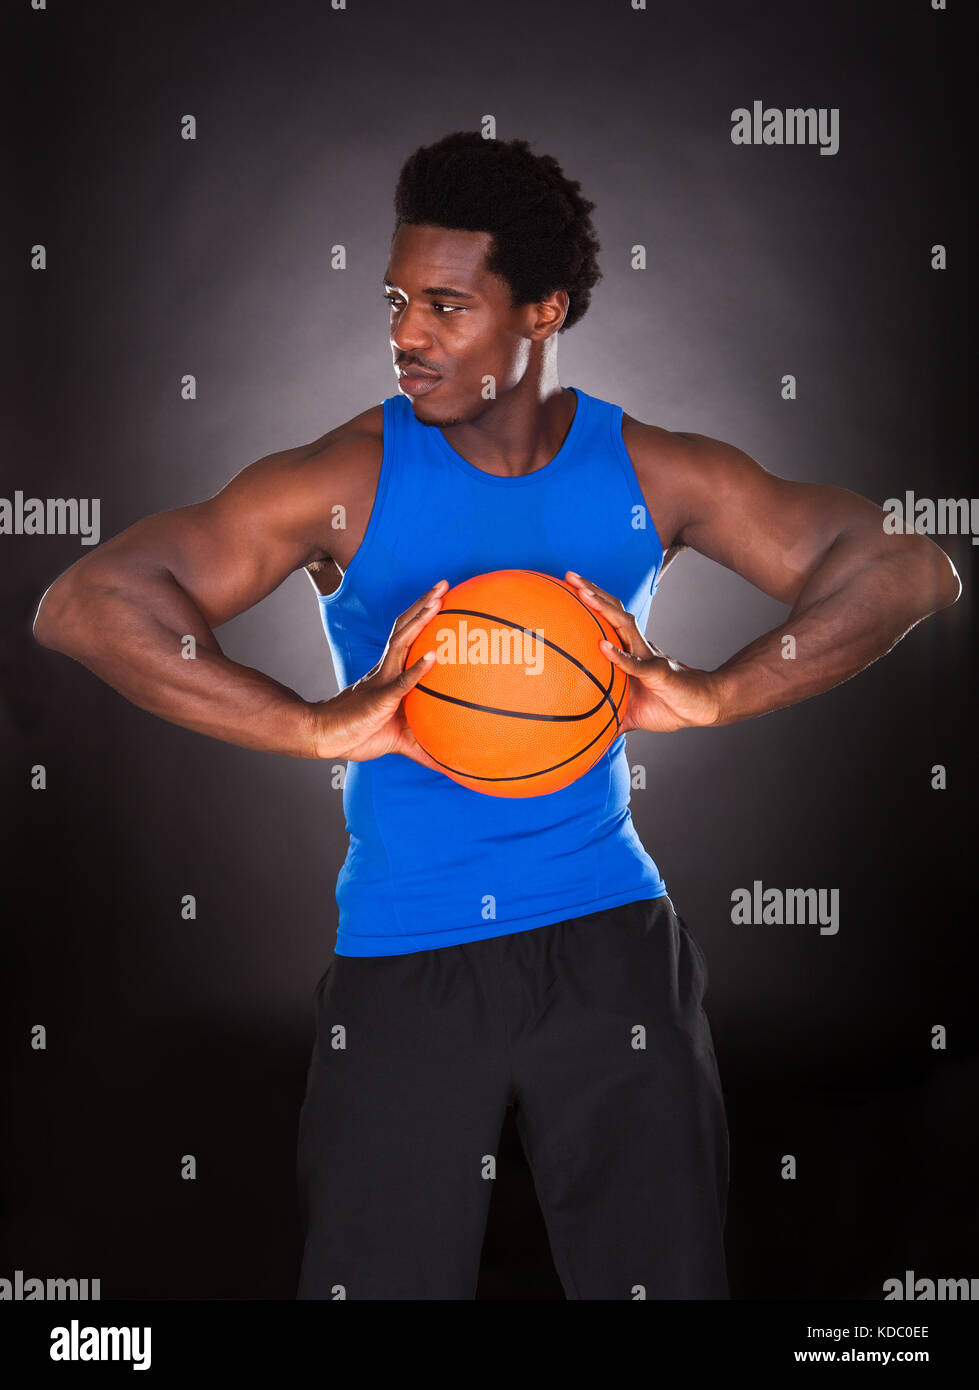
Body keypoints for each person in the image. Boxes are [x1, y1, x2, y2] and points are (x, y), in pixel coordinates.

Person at [33, 131, 960, 1300]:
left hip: (613, 941)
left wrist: (720, 690)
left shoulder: (651, 471)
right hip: (403, 953)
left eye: (444, 305)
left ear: (542, 311)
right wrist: (313, 724)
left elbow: (903, 567)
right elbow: (88, 601)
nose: (405, 335)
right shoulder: (343, 478)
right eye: (394, 302)